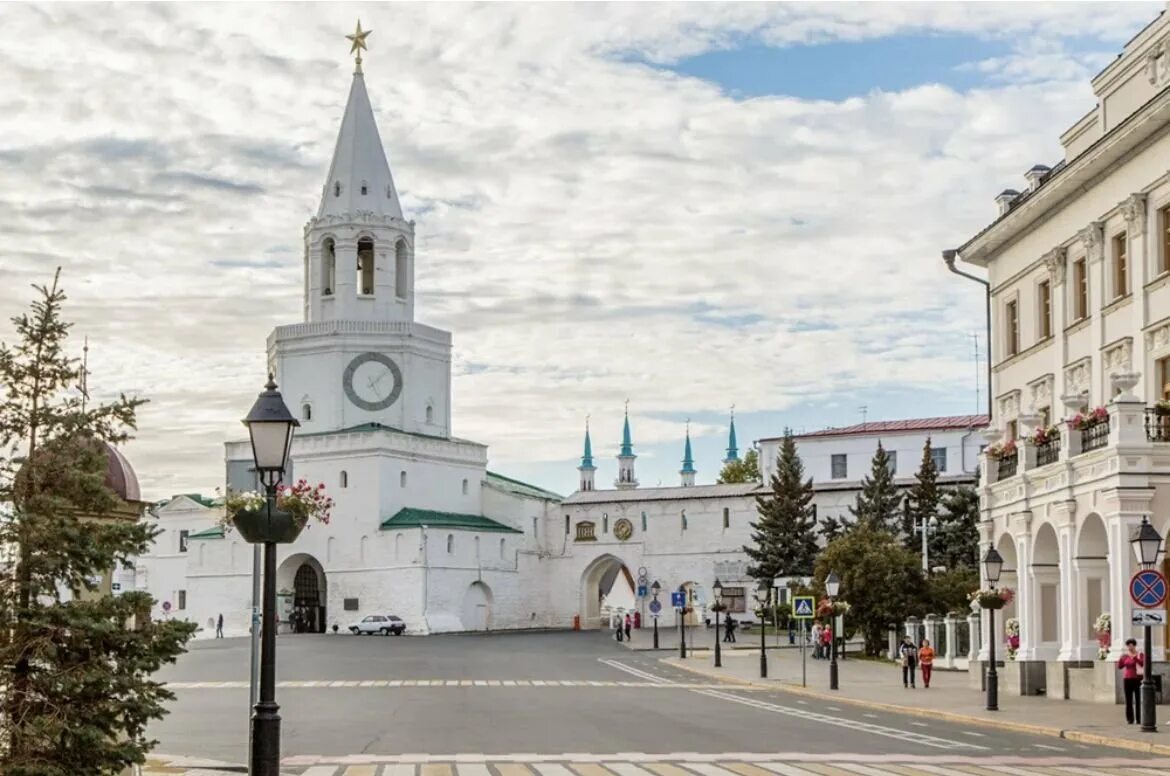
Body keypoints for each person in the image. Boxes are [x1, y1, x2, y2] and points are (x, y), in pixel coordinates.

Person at [1118, 638, 1145, 724]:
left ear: (1134, 645)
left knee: (1138, 699)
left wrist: (1135, 658)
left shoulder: (1140, 654)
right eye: (1128, 645)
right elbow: (1120, 666)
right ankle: (1130, 719)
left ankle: (1139, 719)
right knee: (1128, 700)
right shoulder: (1125, 656)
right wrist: (1121, 659)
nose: (1129, 647)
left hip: (1137, 678)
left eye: (1131, 645)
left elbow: (1142, 663)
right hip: (1127, 679)